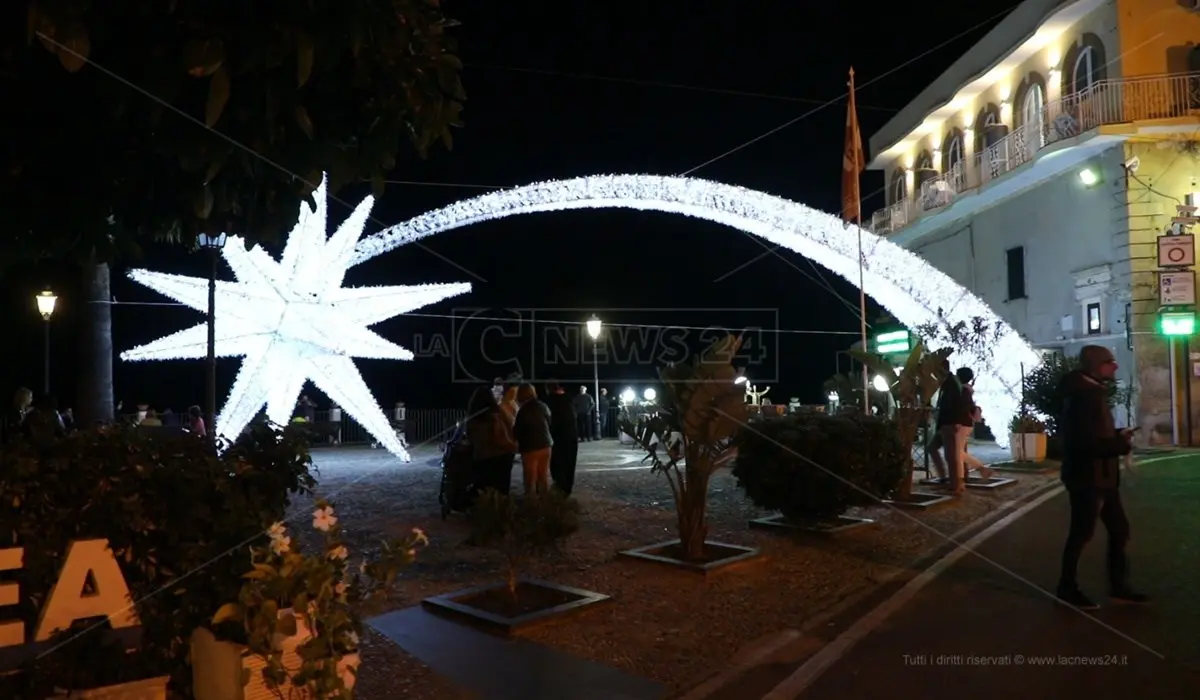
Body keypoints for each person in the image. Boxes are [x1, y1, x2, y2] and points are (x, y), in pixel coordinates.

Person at [1056, 345, 1146, 610]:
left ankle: (1119, 586)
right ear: (1096, 366)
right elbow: (1083, 443)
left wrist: (1117, 434)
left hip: (1102, 478)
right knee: (1082, 533)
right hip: (1088, 479)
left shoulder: (1089, 392)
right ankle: (1066, 587)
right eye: (1110, 362)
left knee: (1119, 530)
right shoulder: (1085, 396)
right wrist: (1120, 446)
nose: (1115, 366)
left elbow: (1092, 434)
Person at [465, 386, 518, 498]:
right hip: (501, 456)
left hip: (481, 457)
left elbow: (470, 438)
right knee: (502, 490)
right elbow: (511, 425)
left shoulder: (472, 419)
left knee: (484, 490)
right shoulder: (497, 415)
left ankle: (486, 511)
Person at [513, 383, 553, 494]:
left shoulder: (523, 410)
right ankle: (545, 501)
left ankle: (531, 503)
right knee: (543, 476)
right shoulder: (543, 406)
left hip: (530, 447)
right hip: (546, 444)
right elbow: (549, 422)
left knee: (530, 478)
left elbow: (518, 430)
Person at [544, 380, 579, 495]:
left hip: (558, 437)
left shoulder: (550, 401)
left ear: (548, 389)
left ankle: (560, 487)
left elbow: (548, 420)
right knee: (570, 463)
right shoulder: (569, 399)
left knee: (557, 463)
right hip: (572, 435)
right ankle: (567, 488)